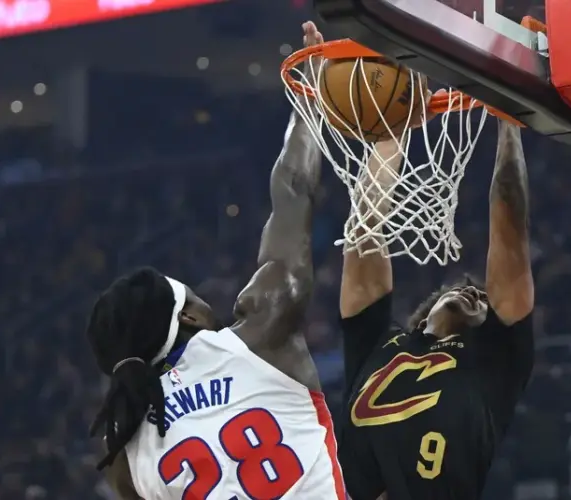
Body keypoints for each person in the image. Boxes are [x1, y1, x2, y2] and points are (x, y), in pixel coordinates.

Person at [86, 22, 346, 500]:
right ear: (188, 315)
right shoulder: (261, 335)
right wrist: (311, 99)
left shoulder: (122, 452)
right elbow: (293, 192)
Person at [338, 116, 535, 499]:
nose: (476, 295)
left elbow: (511, 222)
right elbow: (363, 230)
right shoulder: (378, 345)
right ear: (427, 309)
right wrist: (389, 133)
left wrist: (508, 120)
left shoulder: (497, 358)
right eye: (468, 290)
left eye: (483, 301)